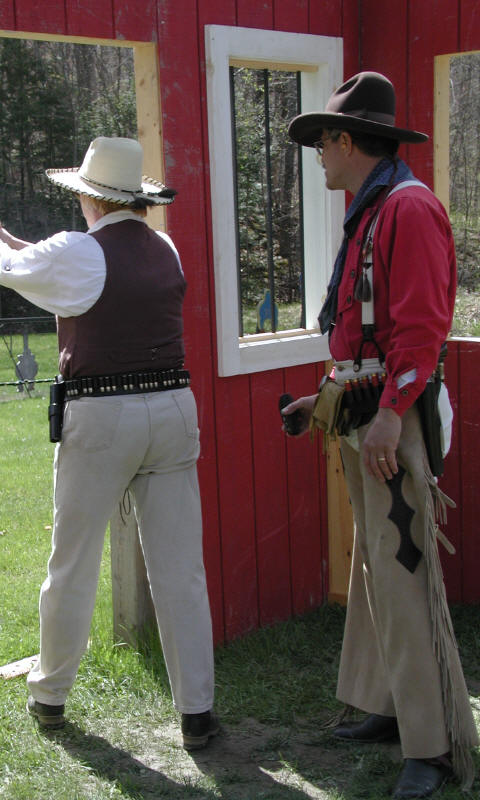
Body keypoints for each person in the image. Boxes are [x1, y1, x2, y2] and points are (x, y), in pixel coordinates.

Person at [0, 136, 218, 751]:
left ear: (88, 195)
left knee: (72, 561)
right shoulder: (164, 248)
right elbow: (76, 271)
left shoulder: (79, 252)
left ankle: (50, 695)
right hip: (172, 409)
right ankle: (197, 713)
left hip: (103, 416)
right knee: (180, 570)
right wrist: (28, 248)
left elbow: (14, 269)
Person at [283, 73, 478, 798]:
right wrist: (321, 402)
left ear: (344, 139)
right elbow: (365, 338)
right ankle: (388, 706)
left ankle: (433, 745)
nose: (318, 159)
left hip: (393, 420)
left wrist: (392, 415)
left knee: (403, 572)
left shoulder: (408, 209)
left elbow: (422, 330)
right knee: (375, 571)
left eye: (321, 143)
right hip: (366, 411)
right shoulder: (373, 207)